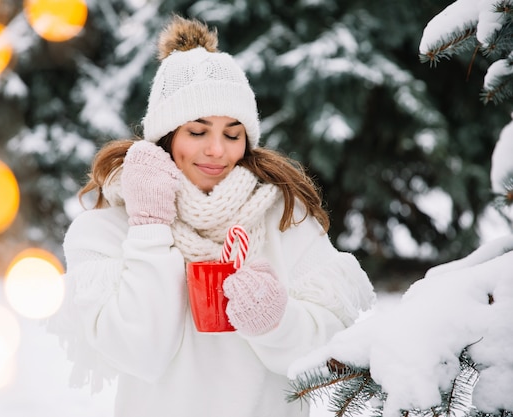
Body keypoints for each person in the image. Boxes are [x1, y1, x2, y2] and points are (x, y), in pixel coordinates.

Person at [48, 15, 375, 417]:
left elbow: (328, 351)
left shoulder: (284, 218)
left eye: (232, 134)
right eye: (198, 132)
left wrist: (278, 322)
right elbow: (139, 353)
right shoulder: (105, 230)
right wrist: (149, 228)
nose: (217, 150)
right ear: (166, 137)